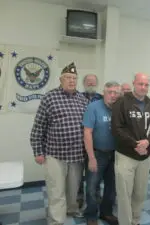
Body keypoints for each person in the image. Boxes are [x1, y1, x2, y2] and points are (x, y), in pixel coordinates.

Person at [30, 62, 88, 225]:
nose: (71, 81)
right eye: (68, 77)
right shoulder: (49, 97)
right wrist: (38, 151)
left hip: (77, 155)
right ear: (61, 79)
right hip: (55, 154)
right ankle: (56, 220)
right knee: (56, 190)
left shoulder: (82, 99)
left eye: (74, 78)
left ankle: (71, 209)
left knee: (73, 189)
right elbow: (38, 127)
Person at [111, 73, 150, 225]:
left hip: (145, 156)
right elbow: (116, 128)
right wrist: (135, 145)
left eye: (146, 85)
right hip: (126, 155)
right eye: (140, 84)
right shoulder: (121, 102)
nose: (143, 87)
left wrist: (148, 142)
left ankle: (136, 220)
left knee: (139, 193)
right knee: (125, 194)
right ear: (134, 83)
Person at [83, 81, 121, 225]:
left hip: (116, 154)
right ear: (103, 93)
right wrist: (91, 157)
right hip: (97, 154)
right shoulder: (93, 107)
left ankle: (107, 213)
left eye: (115, 93)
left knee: (112, 187)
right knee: (92, 186)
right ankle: (91, 216)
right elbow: (87, 133)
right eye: (109, 92)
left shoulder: (120, 108)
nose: (112, 95)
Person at [77, 74, 102, 211]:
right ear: (84, 83)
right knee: (79, 174)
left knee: (95, 172)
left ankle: (96, 197)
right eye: (88, 82)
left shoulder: (101, 98)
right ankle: (79, 198)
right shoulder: (77, 97)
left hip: (96, 143)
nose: (91, 84)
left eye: (93, 82)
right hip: (79, 143)